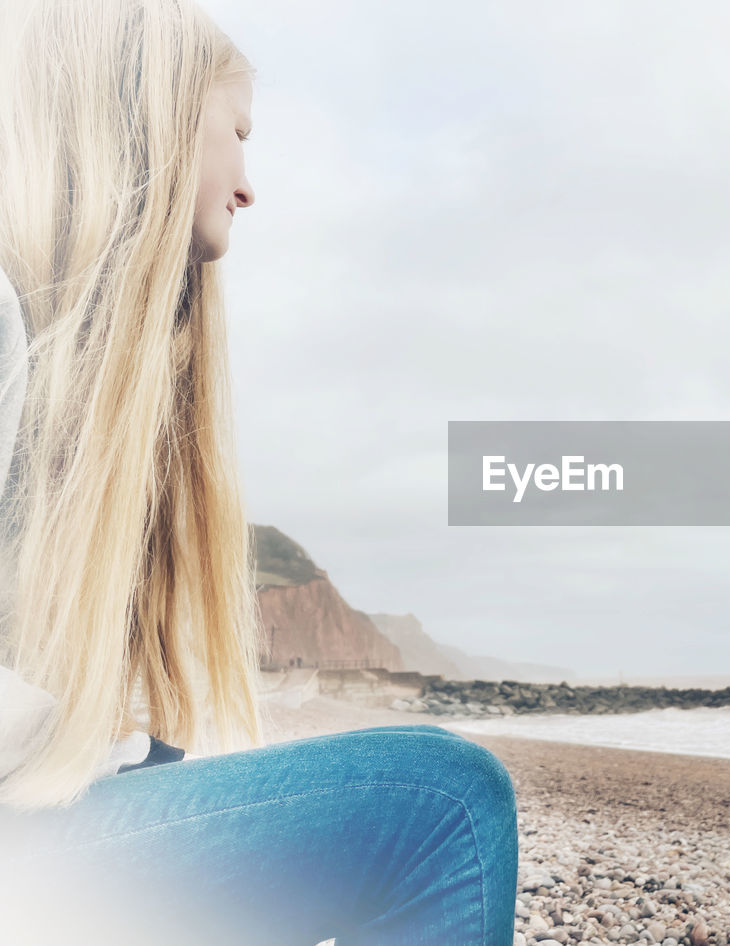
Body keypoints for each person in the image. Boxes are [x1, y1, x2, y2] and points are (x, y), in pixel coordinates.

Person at [0, 2, 518, 943]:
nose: (249, 186)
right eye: (238, 133)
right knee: (441, 805)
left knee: (156, 755)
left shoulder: (75, 375)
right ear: (148, 114)